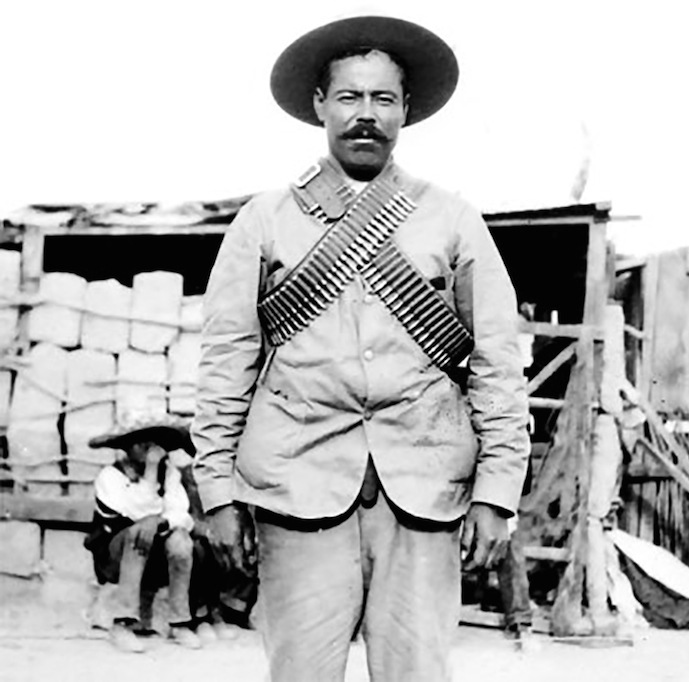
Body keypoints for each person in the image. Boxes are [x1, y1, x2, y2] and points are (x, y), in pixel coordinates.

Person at [192, 15, 530, 681]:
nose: (366, 115)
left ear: (406, 110)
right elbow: (226, 362)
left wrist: (497, 493)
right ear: (320, 104)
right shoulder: (265, 219)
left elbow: (497, 361)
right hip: (297, 486)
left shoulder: (452, 218)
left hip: (425, 486)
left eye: (383, 98)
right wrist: (217, 492)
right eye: (349, 96)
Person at [84, 416, 203, 653]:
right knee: (138, 533)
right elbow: (138, 513)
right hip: (116, 559)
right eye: (139, 442)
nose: (148, 448)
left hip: (154, 556)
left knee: (180, 539)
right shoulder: (111, 476)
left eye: (152, 442)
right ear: (127, 447)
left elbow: (182, 514)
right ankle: (123, 623)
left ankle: (179, 622)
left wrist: (160, 521)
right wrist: (150, 471)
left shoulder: (169, 474)